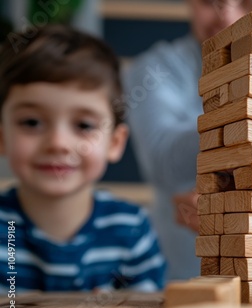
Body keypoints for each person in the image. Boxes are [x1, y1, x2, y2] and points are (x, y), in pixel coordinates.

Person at [0, 25, 166, 292]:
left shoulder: (131, 229)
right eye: (31, 122)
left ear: (114, 142)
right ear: (2, 138)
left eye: (84, 125)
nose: (58, 143)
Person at [126, 0, 252, 281]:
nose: (228, 16)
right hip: (186, 272)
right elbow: (163, 164)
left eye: (247, 4)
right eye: (211, 3)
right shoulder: (155, 67)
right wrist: (250, 118)